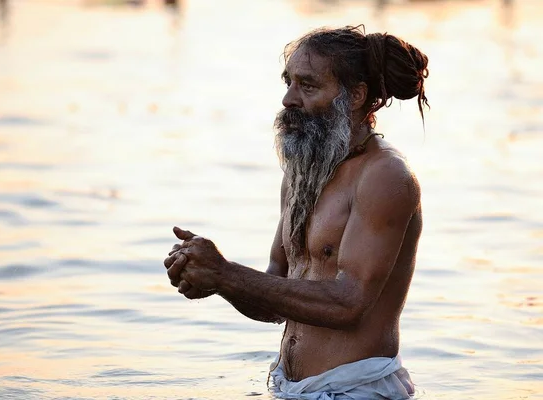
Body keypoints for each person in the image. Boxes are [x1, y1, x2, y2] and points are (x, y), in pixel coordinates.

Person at [163, 25, 428, 399]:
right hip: (290, 387)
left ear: (355, 95)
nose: (288, 99)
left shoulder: (384, 175)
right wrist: (213, 281)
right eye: (288, 82)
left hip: (359, 389)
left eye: (308, 85)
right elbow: (277, 293)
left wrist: (226, 274)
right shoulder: (301, 174)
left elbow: (349, 304)